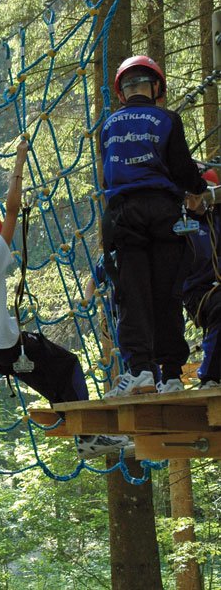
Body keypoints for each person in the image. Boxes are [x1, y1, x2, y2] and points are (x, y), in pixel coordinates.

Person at [0, 141, 131, 458]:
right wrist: (19, 161)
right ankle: (88, 437)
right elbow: (13, 208)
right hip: (7, 346)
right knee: (68, 365)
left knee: (55, 381)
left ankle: (84, 433)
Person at [100, 56, 207, 397]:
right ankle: (172, 375)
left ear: (121, 92)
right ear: (157, 87)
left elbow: (108, 174)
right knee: (167, 295)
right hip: (164, 214)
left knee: (132, 295)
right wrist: (200, 187)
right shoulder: (167, 119)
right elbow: (182, 170)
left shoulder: (109, 126)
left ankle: (142, 372)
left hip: (124, 215)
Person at [176, 169, 221, 392]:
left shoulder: (216, 221)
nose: (198, 202)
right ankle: (209, 377)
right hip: (198, 293)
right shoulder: (182, 225)